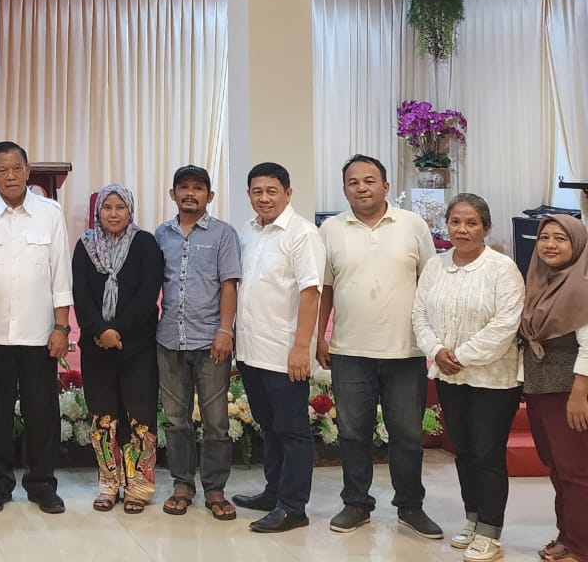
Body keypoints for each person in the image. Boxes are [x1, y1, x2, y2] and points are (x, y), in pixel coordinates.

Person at [316, 154, 442, 539]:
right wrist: (320, 337)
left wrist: (435, 339)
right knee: (353, 433)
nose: (362, 188)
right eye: (353, 182)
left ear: (386, 186)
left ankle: (410, 506)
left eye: (369, 181)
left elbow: (431, 284)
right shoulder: (330, 229)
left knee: (407, 435)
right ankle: (356, 503)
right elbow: (325, 288)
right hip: (350, 351)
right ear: (344, 189)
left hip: (406, 350)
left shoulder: (412, 225)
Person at [412, 193, 523, 562]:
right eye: (455, 222)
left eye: (471, 223)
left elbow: (505, 324)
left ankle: (491, 531)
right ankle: (473, 518)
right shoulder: (435, 266)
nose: (462, 229)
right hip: (450, 376)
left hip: (494, 379)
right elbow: (419, 315)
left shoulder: (502, 268)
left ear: (485, 228)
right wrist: (436, 350)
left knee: (488, 453)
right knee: (463, 451)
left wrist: (460, 356)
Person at [0, 141, 72, 515]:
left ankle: (42, 485)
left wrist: (61, 327)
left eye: (17, 169)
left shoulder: (49, 213)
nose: (10, 176)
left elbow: (61, 273)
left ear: (27, 172)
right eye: (2, 170)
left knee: (42, 415)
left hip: (38, 335)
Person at [232, 161, 323, 534]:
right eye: (257, 191)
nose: (264, 198)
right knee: (269, 426)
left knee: (292, 430)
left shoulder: (302, 234)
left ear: (288, 193)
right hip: (251, 350)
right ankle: (273, 492)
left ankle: (293, 507)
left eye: (272, 191)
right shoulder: (248, 231)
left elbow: (311, 292)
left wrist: (302, 347)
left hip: (285, 353)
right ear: (249, 194)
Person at [154, 164, 241, 521]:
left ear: (210, 195)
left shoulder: (223, 233)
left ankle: (215, 489)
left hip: (210, 341)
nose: (190, 193)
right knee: (176, 421)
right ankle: (182, 485)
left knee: (216, 421)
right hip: (169, 340)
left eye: (198, 188)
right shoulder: (161, 234)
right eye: (183, 187)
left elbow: (229, 285)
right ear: (173, 194)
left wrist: (225, 331)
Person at [72, 184, 163, 514]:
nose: (113, 214)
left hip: (136, 346)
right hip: (97, 347)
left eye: (120, 207)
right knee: (103, 417)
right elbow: (80, 293)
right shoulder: (85, 246)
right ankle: (109, 483)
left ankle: (138, 485)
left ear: (130, 211)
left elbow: (148, 293)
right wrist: (100, 330)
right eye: (107, 208)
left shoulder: (145, 244)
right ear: (98, 212)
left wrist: (117, 330)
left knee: (140, 416)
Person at [519, 214, 588, 562]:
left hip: (570, 392)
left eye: (561, 239)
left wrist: (579, 394)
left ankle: (582, 546)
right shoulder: (538, 281)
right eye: (544, 237)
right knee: (557, 468)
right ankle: (568, 535)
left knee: (576, 472)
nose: (550, 244)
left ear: (577, 244)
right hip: (540, 389)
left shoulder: (582, 286)